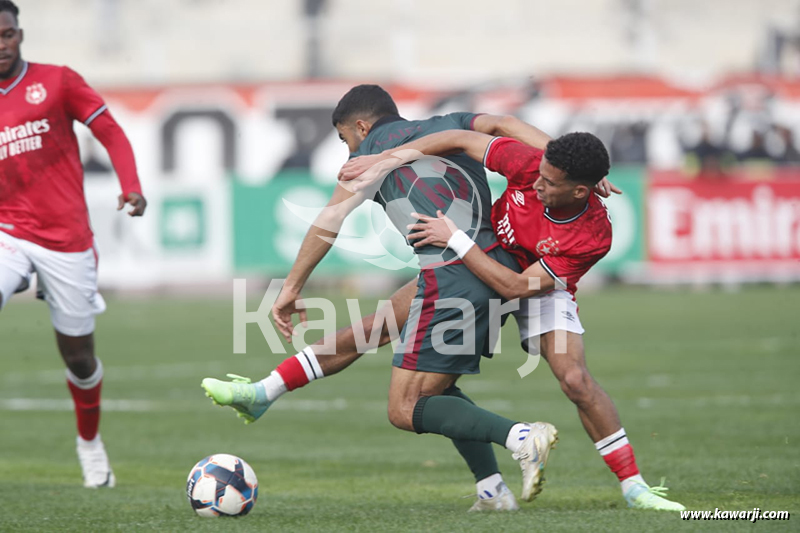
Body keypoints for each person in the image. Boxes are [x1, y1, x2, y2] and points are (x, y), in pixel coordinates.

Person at [204, 84, 565, 511]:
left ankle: (521, 437)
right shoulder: (446, 125)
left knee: (406, 407)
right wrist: (573, 168)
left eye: (344, 139)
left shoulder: (365, 161)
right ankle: (266, 391)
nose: (346, 149)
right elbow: (505, 124)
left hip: (452, 277)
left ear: (360, 126)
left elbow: (329, 219)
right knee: (376, 329)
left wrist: (291, 288)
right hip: (491, 263)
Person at [339, 127, 686, 512]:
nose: (537, 183)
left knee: (575, 379)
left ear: (580, 192)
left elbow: (518, 287)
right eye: (540, 173)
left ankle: (633, 486)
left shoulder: (592, 235)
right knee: (392, 342)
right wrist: (387, 159)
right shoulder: (531, 165)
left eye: (550, 182)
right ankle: (493, 486)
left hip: (534, 283)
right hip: (481, 264)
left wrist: (455, 238)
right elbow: (458, 136)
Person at [0, 1, 146, 488]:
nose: (2, 45)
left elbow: (108, 129)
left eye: (7, 34)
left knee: (79, 358)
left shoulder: (57, 81)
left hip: (67, 241)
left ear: (20, 33)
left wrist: (131, 184)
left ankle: (90, 444)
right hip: (8, 233)